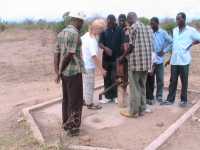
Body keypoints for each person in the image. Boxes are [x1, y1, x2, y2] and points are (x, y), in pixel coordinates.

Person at [54, 12, 85, 136]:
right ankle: (73, 128)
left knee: (66, 99)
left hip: (65, 74)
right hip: (73, 72)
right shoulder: (75, 33)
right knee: (76, 100)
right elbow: (70, 55)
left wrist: (57, 72)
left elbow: (56, 53)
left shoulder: (61, 33)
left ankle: (66, 124)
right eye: (81, 22)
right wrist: (60, 71)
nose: (82, 24)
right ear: (77, 20)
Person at [161, 12, 200, 107]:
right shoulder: (174, 30)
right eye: (176, 19)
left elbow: (199, 39)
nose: (177, 21)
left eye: (179, 19)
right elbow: (174, 46)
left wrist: (192, 44)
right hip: (174, 61)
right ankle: (170, 100)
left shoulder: (191, 31)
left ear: (184, 19)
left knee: (184, 82)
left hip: (184, 61)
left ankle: (183, 100)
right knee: (173, 81)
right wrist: (169, 59)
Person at [120, 12, 154, 118]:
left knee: (134, 88)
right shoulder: (148, 28)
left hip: (135, 63)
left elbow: (131, 46)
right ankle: (142, 109)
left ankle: (133, 111)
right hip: (146, 63)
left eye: (128, 21)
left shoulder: (132, 28)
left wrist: (122, 57)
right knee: (142, 86)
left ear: (130, 19)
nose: (128, 23)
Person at [99, 14, 125, 103]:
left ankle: (116, 96)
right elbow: (100, 43)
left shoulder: (120, 30)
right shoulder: (104, 31)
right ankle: (107, 96)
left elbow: (123, 43)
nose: (108, 24)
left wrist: (121, 54)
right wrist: (105, 48)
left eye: (110, 22)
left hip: (116, 59)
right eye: (107, 22)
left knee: (115, 77)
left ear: (114, 21)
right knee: (106, 78)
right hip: (106, 60)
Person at [146, 17, 172, 105]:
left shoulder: (163, 33)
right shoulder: (149, 32)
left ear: (157, 23)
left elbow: (171, 42)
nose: (151, 25)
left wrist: (164, 51)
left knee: (160, 79)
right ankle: (150, 96)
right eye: (150, 24)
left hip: (160, 60)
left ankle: (159, 95)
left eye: (153, 24)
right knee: (150, 79)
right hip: (150, 60)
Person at [81, 19, 106, 110]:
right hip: (89, 66)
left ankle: (84, 100)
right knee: (90, 85)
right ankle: (89, 103)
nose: (101, 32)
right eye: (101, 30)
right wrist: (101, 69)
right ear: (97, 29)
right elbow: (94, 56)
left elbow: (80, 47)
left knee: (86, 84)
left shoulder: (86, 35)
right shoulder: (92, 40)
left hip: (84, 64)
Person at [117, 14, 129, 107]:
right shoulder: (117, 29)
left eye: (122, 20)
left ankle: (125, 91)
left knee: (126, 75)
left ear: (125, 20)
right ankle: (121, 93)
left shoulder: (128, 29)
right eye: (119, 20)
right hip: (119, 56)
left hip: (127, 56)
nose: (121, 22)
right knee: (120, 75)